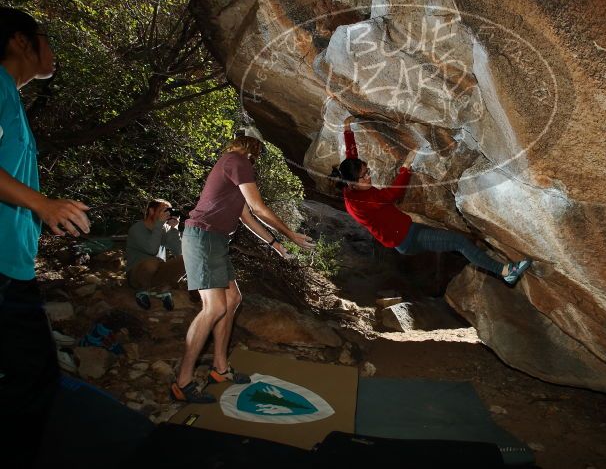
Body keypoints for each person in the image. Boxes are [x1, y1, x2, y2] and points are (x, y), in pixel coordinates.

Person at [0, 7, 91, 466]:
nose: (52, 49)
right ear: (20, 41)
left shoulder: (12, 98)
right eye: (44, 38)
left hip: (11, 265)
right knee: (32, 377)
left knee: (29, 376)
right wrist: (42, 204)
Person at [171, 132, 314, 403]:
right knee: (214, 307)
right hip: (203, 237)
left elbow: (246, 216)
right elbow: (259, 208)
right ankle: (183, 382)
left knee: (233, 298)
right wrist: (291, 235)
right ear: (253, 152)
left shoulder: (231, 167)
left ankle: (220, 368)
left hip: (215, 240)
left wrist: (274, 243)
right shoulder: (238, 161)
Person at [331, 116, 532, 285]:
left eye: (368, 172)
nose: (369, 177)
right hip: (407, 239)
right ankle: (506, 272)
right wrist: (406, 167)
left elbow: (352, 158)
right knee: (459, 242)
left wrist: (348, 130)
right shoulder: (359, 203)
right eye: (365, 176)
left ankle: (505, 270)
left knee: (456, 241)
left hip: (408, 230)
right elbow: (393, 194)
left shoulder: (351, 181)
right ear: (352, 183)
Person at [125, 198, 185, 310]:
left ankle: (162, 289)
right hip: (136, 274)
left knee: (188, 258)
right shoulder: (137, 228)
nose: (167, 213)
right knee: (152, 262)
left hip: (157, 273)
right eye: (163, 210)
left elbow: (178, 252)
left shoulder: (165, 228)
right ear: (152, 211)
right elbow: (151, 250)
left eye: (169, 211)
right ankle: (142, 291)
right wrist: (159, 225)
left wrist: (174, 229)